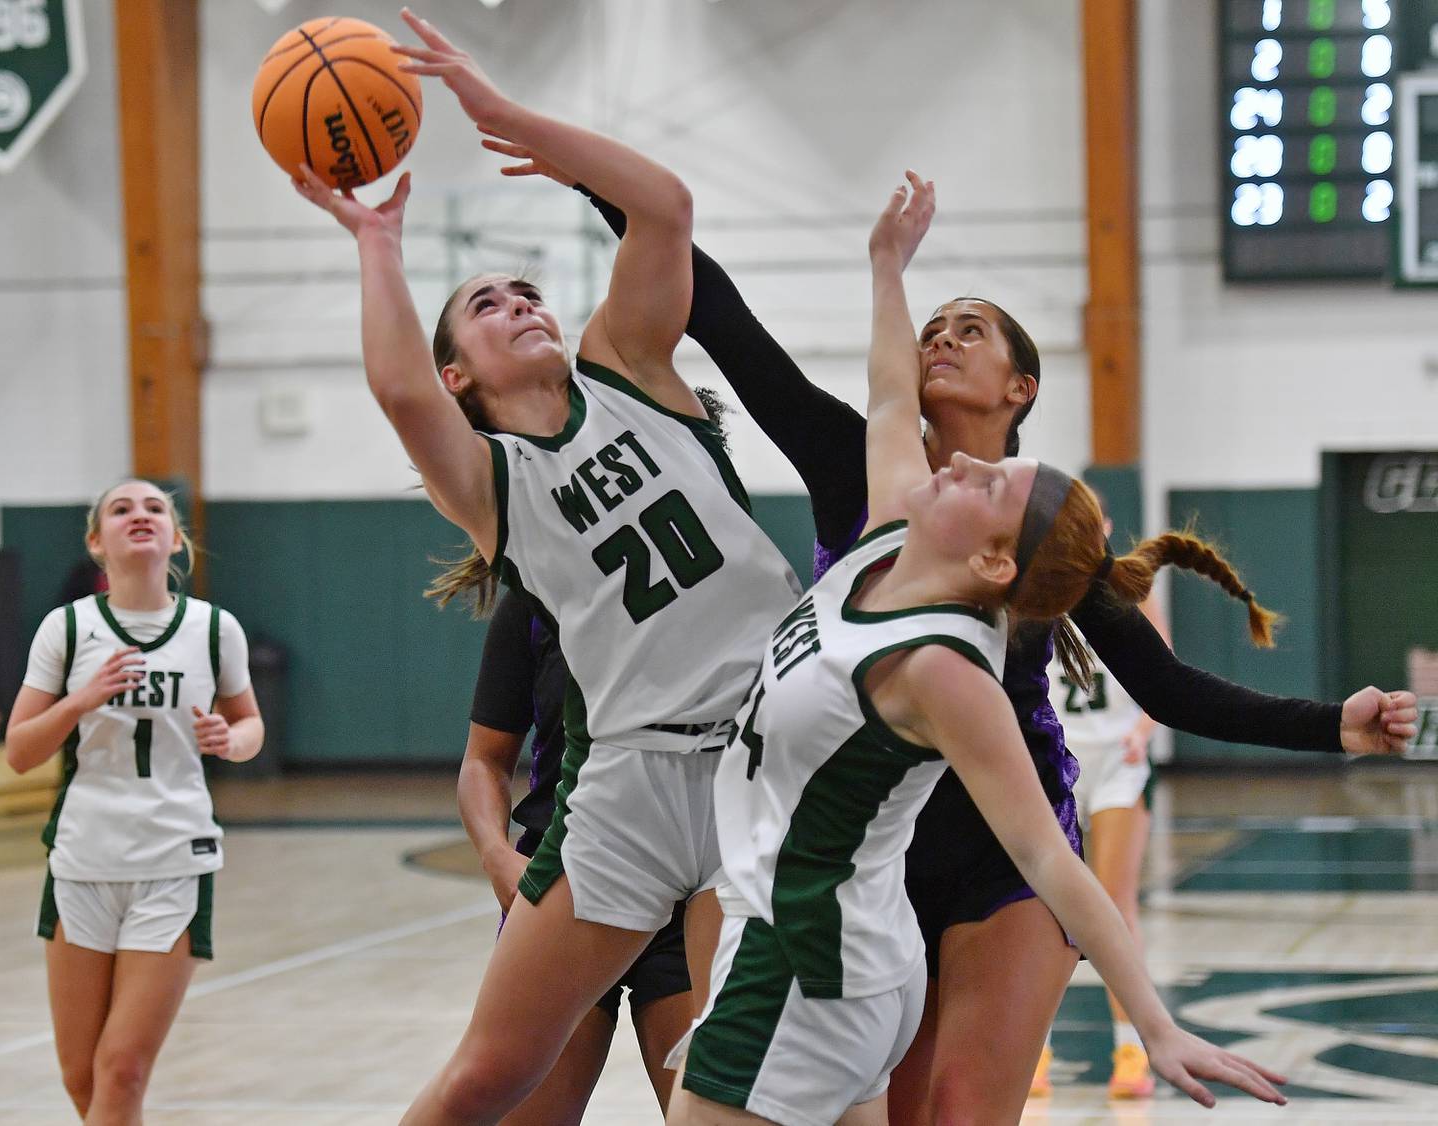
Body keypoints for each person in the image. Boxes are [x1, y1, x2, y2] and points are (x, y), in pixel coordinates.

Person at [481, 158, 1419, 1121]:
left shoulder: (1045, 538)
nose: (941, 338)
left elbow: (1168, 687)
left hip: (1002, 852)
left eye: (969, 330)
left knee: (963, 1110)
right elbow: (726, 325)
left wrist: (1330, 726)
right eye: (932, 327)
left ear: (1022, 385)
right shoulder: (870, 469)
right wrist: (612, 190)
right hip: (868, 864)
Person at [663, 180, 1288, 1125]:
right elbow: (874, 392)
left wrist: (1152, 1024)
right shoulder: (889, 529)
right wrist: (883, 268)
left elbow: (1050, 850)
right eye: (935, 329)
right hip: (851, 927)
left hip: (826, 952)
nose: (957, 464)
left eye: (988, 480)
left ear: (994, 554)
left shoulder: (946, 653)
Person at [292, 12, 802, 1123]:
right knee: (491, 1072)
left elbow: (664, 207)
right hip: (625, 783)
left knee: (726, 1081)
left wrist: (506, 117)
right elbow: (395, 393)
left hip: (759, 760)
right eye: (487, 305)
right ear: (459, 374)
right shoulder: (492, 481)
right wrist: (376, 242)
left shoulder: (628, 367)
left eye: (527, 293)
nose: (520, 304)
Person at [3, 479, 264, 1123]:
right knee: (83, 1076)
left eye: (155, 509)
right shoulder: (66, 629)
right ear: (98, 542)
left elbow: (250, 724)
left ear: (176, 539)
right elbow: (20, 751)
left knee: (123, 1068)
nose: (140, 515)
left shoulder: (212, 629)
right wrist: (81, 700)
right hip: (83, 861)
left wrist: (229, 741)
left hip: (173, 858)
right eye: (121, 509)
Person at [462, 586, 693, 1124]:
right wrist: (496, 855)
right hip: (564, 881)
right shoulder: (534, 602)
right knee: (492, 1092)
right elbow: (484, 760)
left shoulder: (714, 577)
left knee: (711, 1110)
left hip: (688, 888)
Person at [1034, 536, 1169, 1100]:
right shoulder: (1034, 587)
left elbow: (1166, 680)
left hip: (1117, 760)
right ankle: (1034, 1052)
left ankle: (1131, 1050)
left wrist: (1142, 732)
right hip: (1054, 758)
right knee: (1036, 912)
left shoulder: (1129, 592)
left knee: (1115, 904)